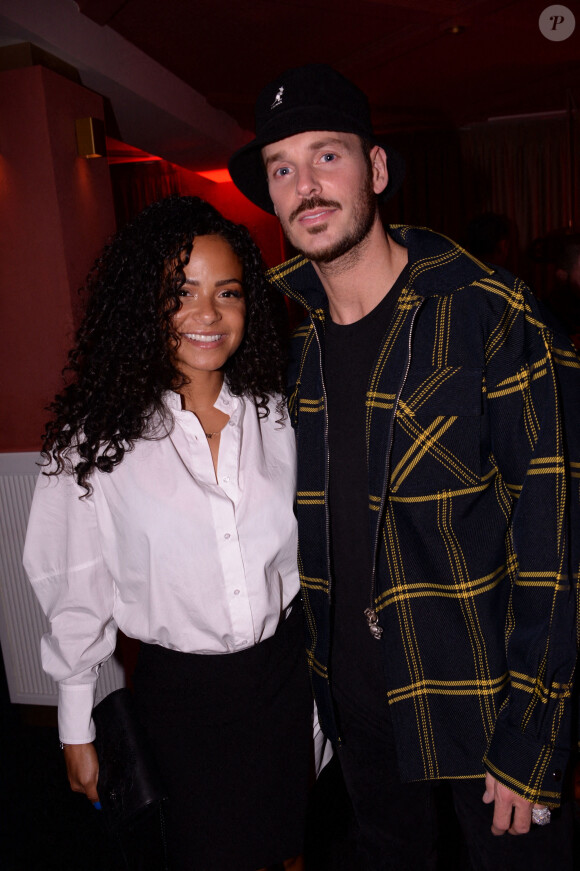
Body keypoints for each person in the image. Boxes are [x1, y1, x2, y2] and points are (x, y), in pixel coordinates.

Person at [228, 65, 580, 871]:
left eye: (327, 156)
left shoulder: (489, 313)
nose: (305, 185)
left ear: (377, 170)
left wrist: (535, 731)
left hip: (482, 703)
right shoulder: (282, 345)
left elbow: (555, 544)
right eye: (283, 168)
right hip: (357, 706)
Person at [23, 196, 312, 871]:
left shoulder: (282, 416)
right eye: (182, 293)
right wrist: (76, 725)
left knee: (290, 851)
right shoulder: (94, 441)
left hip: (282, 682)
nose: (208, 314)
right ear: (141, 306)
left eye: (229, 292)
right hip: (177, 702)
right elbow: (75, 584)